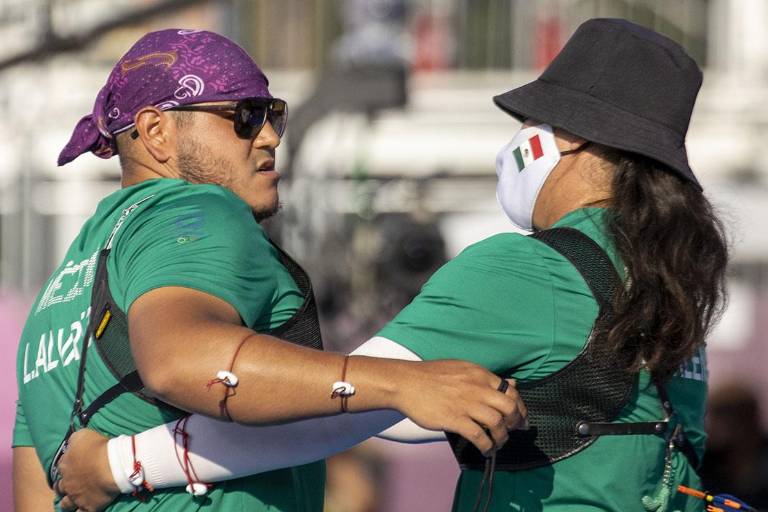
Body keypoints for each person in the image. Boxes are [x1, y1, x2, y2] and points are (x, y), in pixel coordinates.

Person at [55, 18, 729, 512]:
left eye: (527, 123)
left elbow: (334, 411)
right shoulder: (668, 283)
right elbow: (405, 410)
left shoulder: (530, 273)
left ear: (571, 136)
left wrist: (120, 464)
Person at [11, 29, 527, 512]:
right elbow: (180, 362)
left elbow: (39, 488)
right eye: (244, 115)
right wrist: (402, 384)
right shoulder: (200, 212)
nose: (269, 137)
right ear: (156, 132)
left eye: (273, 115)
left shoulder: (66, 283)